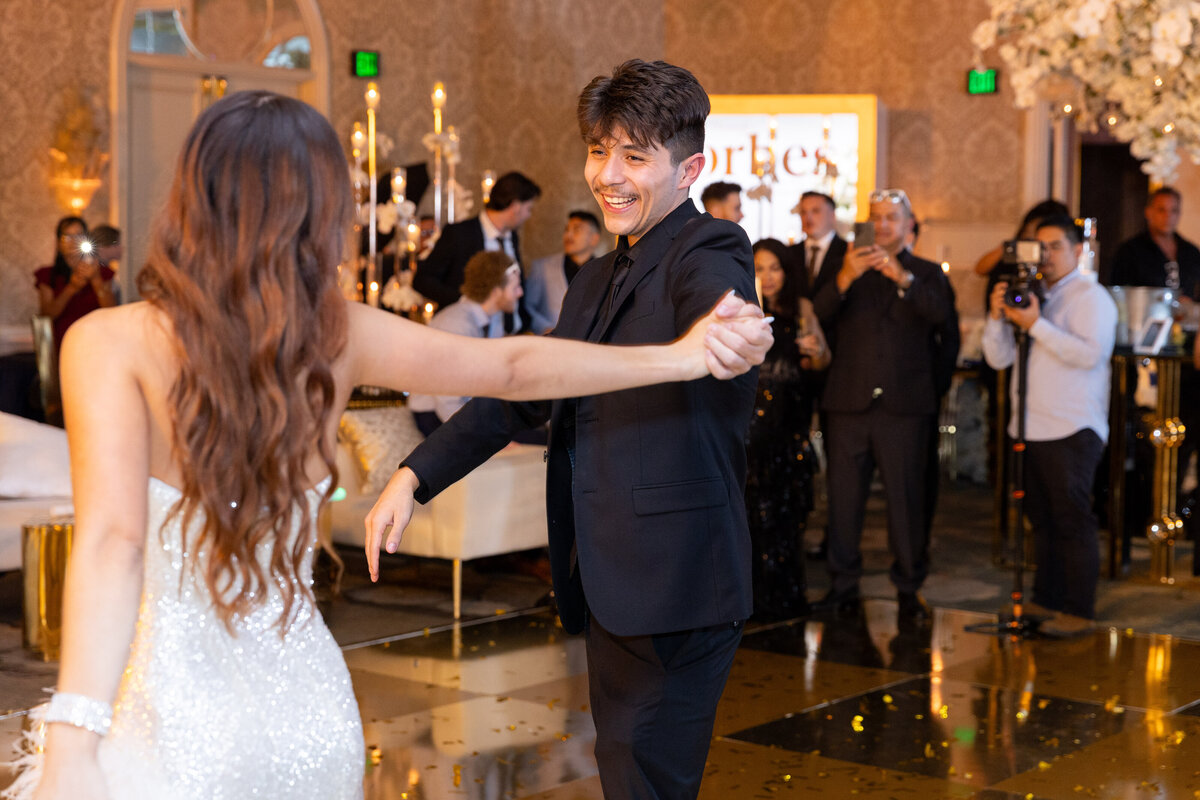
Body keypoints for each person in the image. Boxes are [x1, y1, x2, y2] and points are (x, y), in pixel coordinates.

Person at [7, 90, 771, 800]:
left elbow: (113, 543)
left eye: (632, 155)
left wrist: (76, 733)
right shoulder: (338, 331)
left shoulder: (104, 341)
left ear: (189, 199)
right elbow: (512, 368)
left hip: (177, 714)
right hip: (305, 708)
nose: (610, 174)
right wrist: (685, 354)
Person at [367, 59, 765, 800]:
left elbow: (720, 313)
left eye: (635, 156)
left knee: (643, 776)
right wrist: (414, 475)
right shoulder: (595, 277)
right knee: (627, 772)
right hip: (615, 579)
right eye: (597, 150)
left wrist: (729, 333)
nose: (607, 174)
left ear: (691, 170)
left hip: (675, 582)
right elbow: (518, 393)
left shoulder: (708, 248)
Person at [811, 188, 952, 624]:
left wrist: (903, 279)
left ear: (909, 225)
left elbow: (943, 322)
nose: (885, 224)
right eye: (877, 217)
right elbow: (815, 316)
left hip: (905, 407)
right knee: (843, 499)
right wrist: (844, 279)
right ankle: (842, 584)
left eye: (893, 217)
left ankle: (909, 587)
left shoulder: (927, 273)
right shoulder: (844, 269)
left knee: (906, 500)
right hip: (848, 403)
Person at [982, 215, 1116, 636]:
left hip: (1072, 426)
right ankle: (1045, 599)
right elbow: (998, 359)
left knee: (1071, 519)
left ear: (1078, 251)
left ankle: (1078, 609)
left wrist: (1035, 325)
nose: (1047, 256)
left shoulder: (1091, 299)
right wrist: (995, 317)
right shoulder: (1034, 295)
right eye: (1039, 248)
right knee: (1040, 520)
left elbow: (1088, 356)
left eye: (1055, 246)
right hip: (1029, 426)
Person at [746, 238, 829, 620]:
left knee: (786, 521)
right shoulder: (741, 310)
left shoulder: (801, 310)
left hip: (788, 431)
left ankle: (784, 601)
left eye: (774, 268)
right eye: (759, 268)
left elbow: (821, 361)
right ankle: (747, 603)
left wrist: (815, 351)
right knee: (749, 522)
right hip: (747, 437)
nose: (767, 276)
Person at [408, 251, 525, 435]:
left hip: (466, 409)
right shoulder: (456, 324)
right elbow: (446, 397)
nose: (520, 293)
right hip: (434, 414)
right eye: (515, 287)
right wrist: (480, 436)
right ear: (496, 291)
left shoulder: (495, 317)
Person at [413, 170, 540, 334]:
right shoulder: (460, 233)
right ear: (515, 206)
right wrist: (464, 301)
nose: (528, 216)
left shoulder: (512, 236)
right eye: (528, 208)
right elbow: (422, 280)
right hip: (468, 333)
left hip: (511, 335)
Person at [33, 217, 117, 350]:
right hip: (63, 344)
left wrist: (96, 280)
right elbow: (47, 315)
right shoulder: (47, 275)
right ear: (59, 244)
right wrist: (72, 288)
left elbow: (112, 311)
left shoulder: (103, 273)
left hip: (97, 343)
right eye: (67, 237)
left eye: (79, 236)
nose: (73, 242)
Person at [524, 210, 603, 333]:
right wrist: (545, 328)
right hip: (549, 344)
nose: (568, 235)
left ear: (594, 239)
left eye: (576, 230)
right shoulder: (542, 267)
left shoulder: (605, 271)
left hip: (589, 346)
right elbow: (527, 307)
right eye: (566, 230)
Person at [790, 190, 846, 299]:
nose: (808, 217)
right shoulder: (790, 252)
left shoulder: (847, 252)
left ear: (832, 215)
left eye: (815, 211)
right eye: (803, 212)